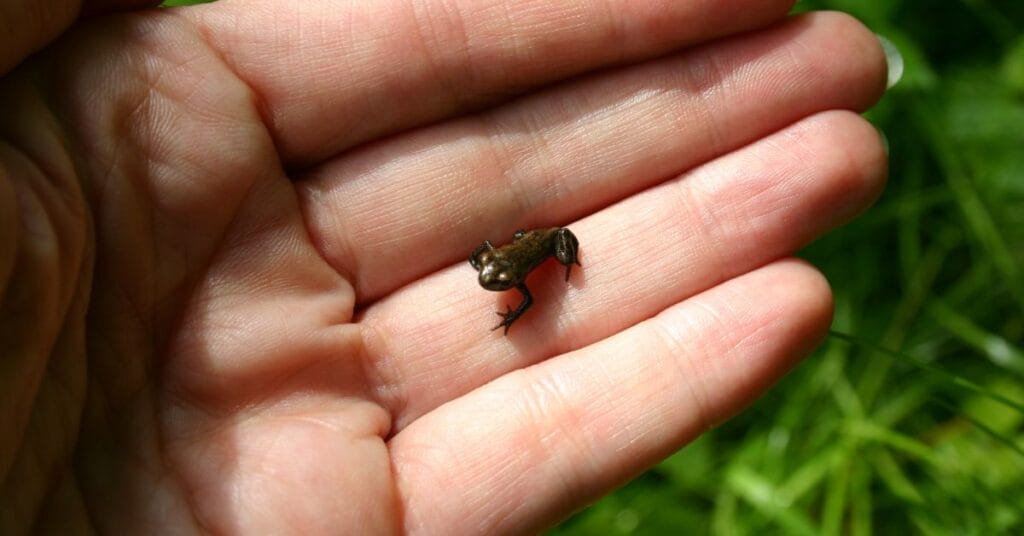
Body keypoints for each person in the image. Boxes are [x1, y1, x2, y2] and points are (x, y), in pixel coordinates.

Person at [0, 0, 888, 533]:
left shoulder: (526, 269)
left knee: (566, 252)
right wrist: (496, 277)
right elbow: (493, 266)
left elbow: (532, 273)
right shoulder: (501, 270)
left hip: (549, 238)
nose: (497, 288)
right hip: (526, 235)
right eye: (497, 284)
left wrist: (551, 274)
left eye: (499, 285)